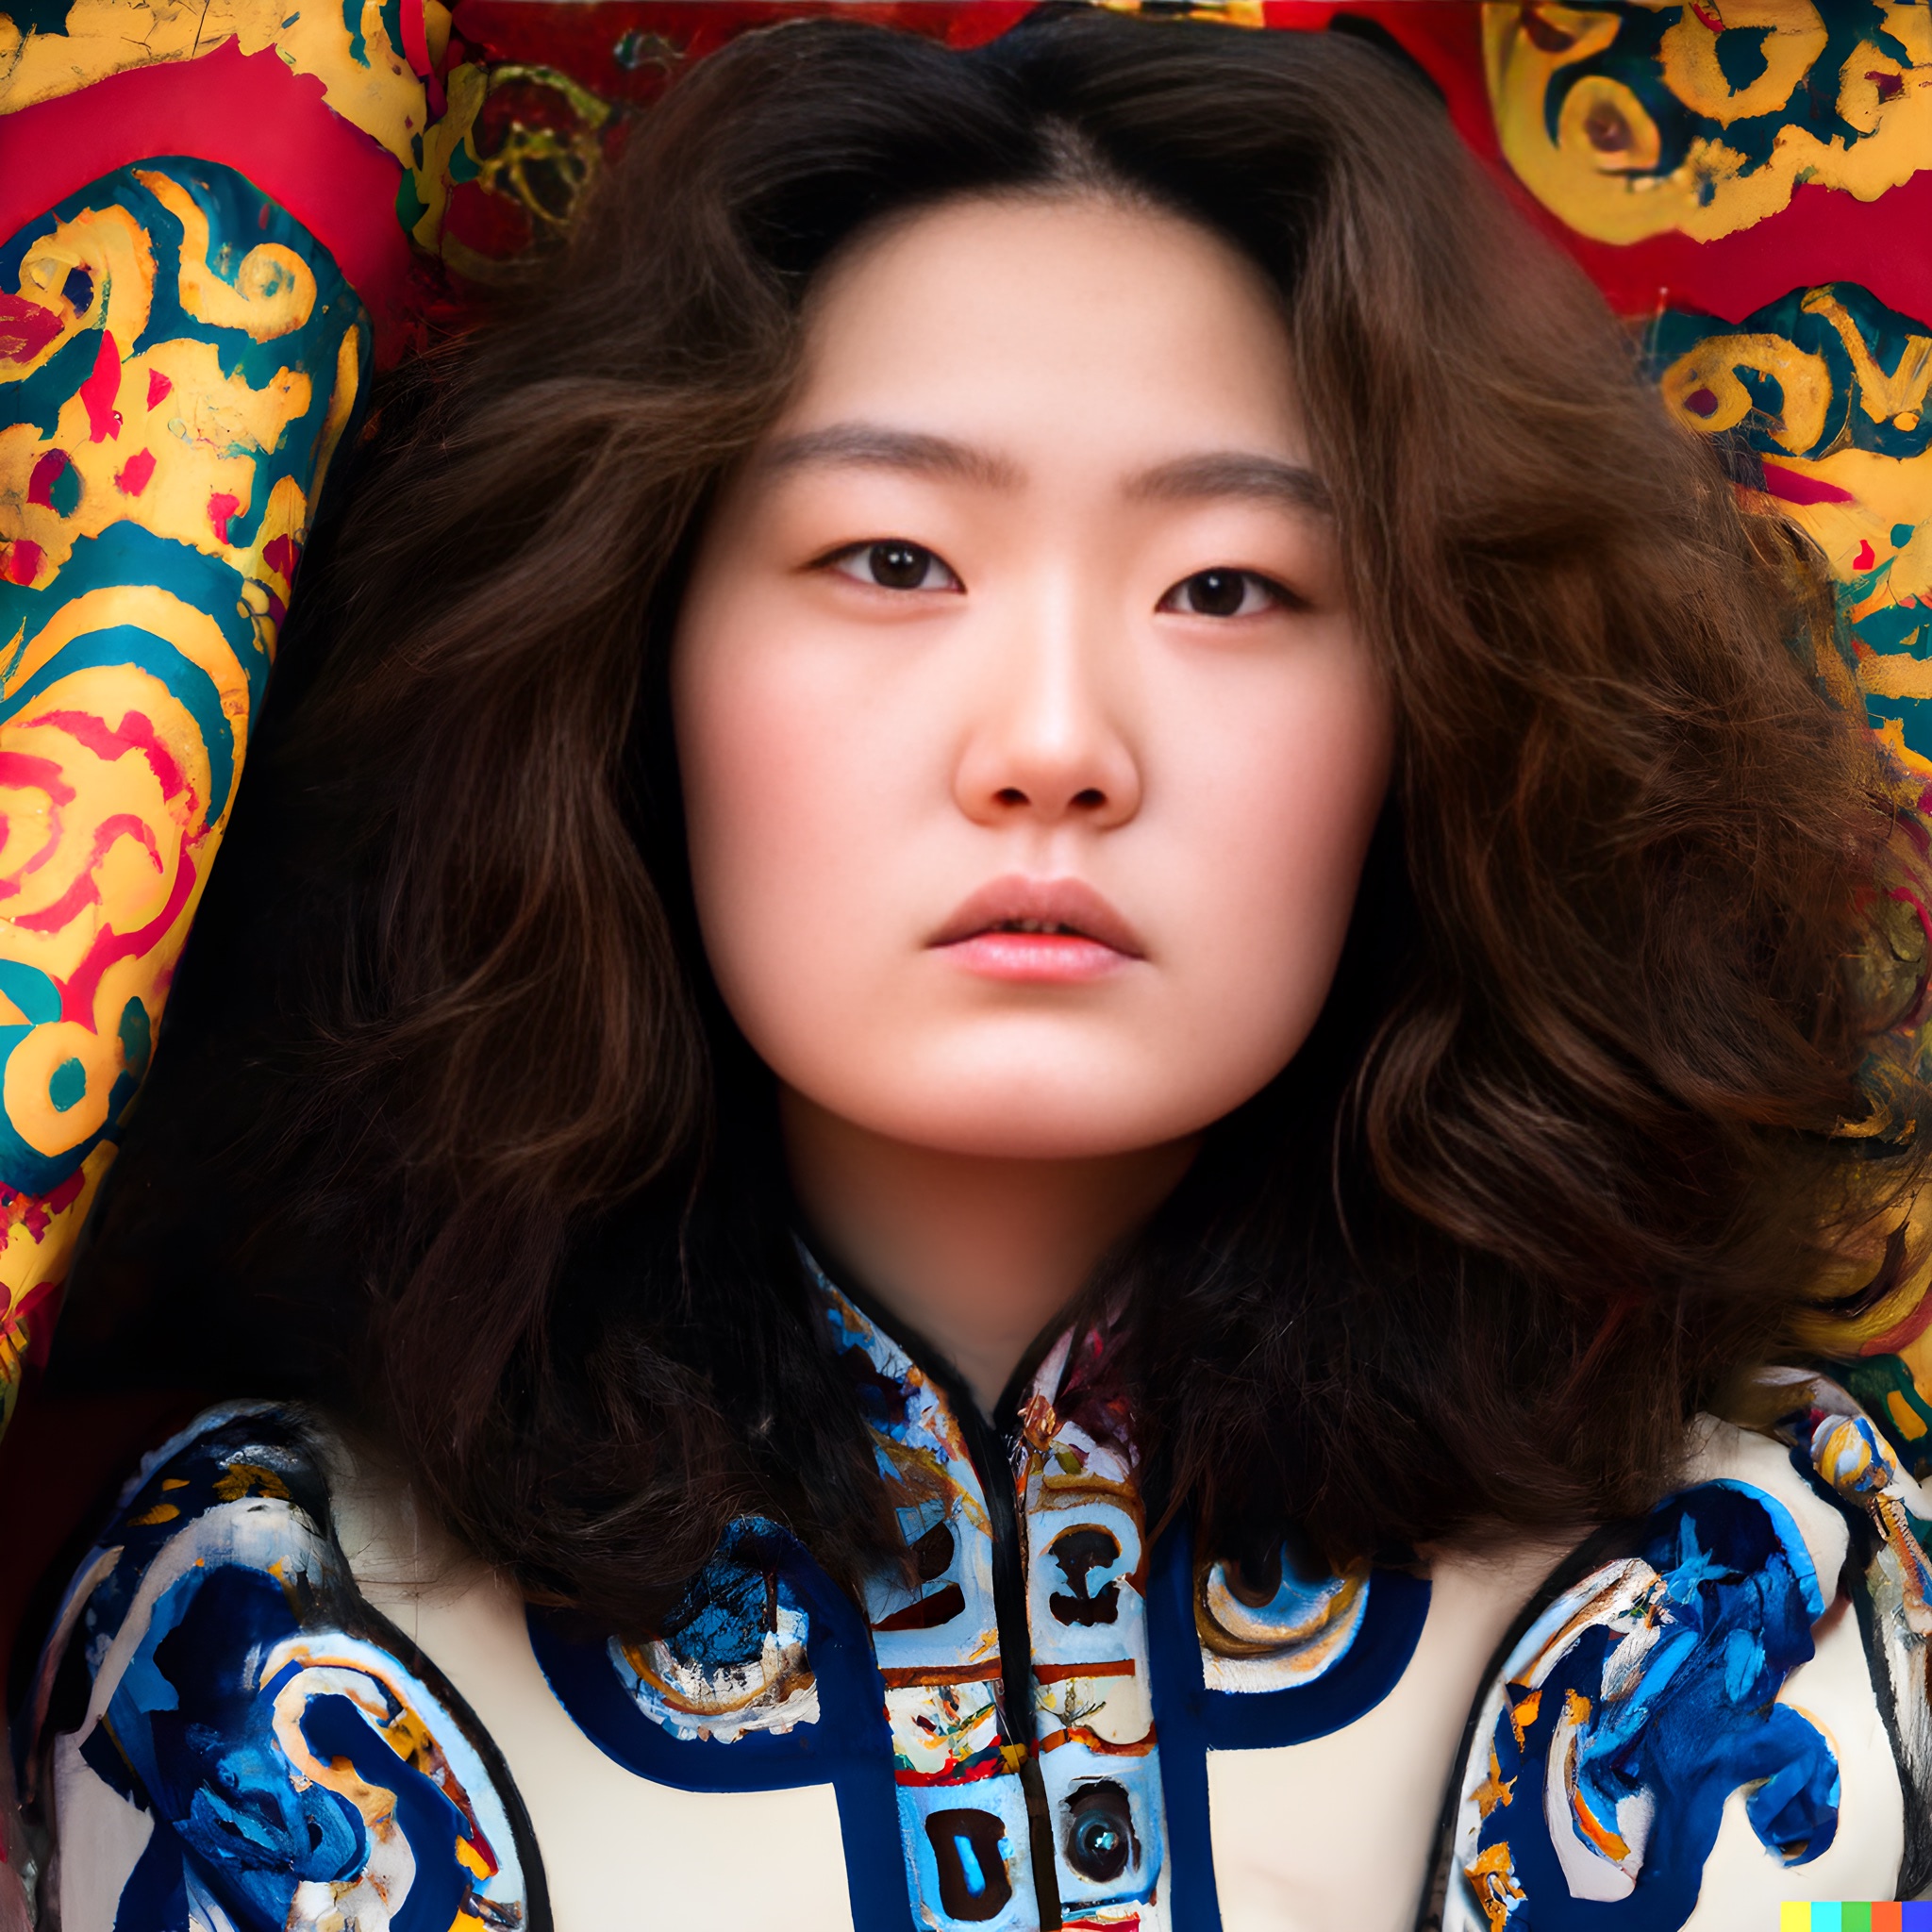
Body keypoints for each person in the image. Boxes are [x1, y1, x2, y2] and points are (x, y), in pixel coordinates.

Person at [16, 11, 1932, 1929]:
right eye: (890, 559)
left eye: (1228, 586)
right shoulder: (279, 1659)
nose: (1051, 741)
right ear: (630, 662)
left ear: (1442, 709)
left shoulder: (1775, 1619)